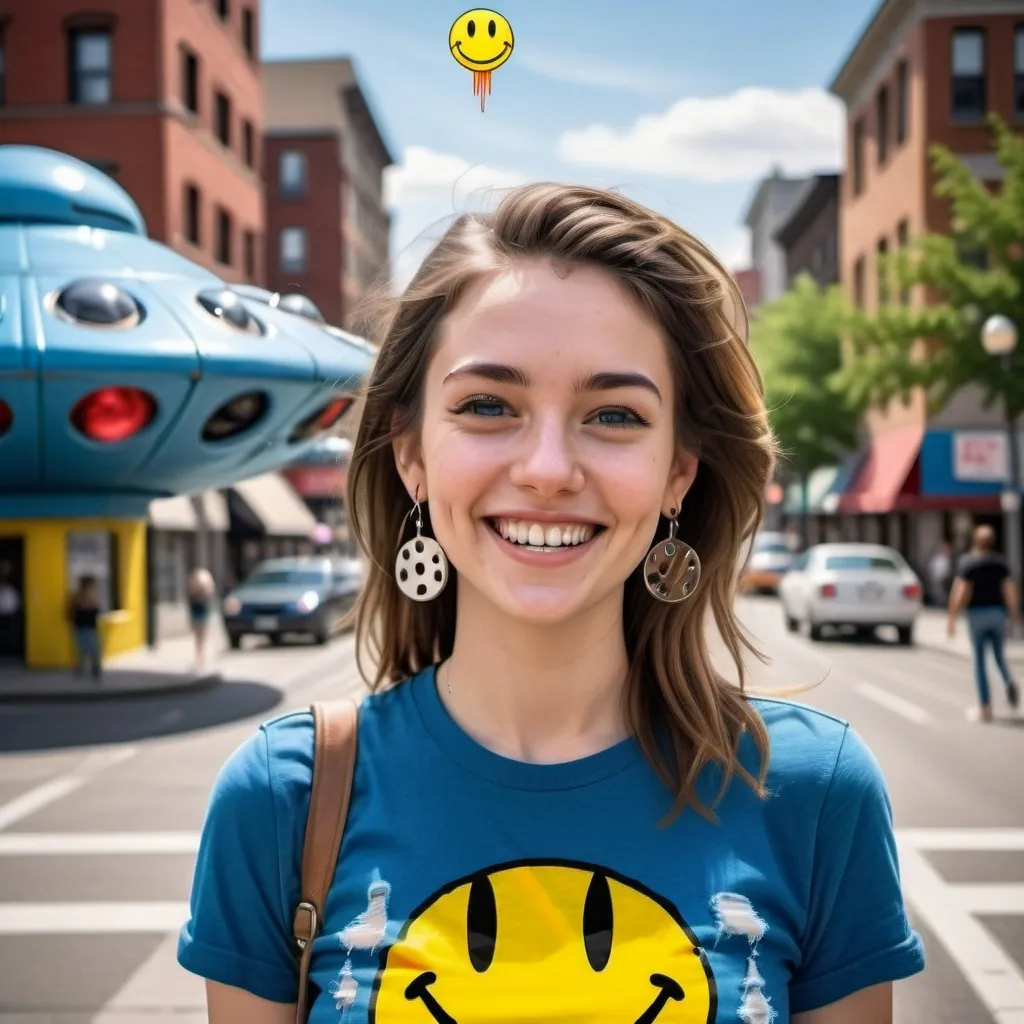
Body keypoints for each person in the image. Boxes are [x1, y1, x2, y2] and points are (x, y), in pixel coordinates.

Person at [178, 184, 925, 1023]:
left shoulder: (813, 793)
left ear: (679, 471)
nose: (546, 467)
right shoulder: (284, 799)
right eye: (488, 406)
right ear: (411, 455)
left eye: (612, 414)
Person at [947, 524, 1021, 722]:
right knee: (999, 657)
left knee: (979, 662)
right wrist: (1014, 618)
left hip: (977, 615)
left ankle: (985, 708)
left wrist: (953, 617)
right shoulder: (1000, 564)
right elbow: (1010, 592)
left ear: (976, 541)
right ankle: (1008, 681)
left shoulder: (968, 563)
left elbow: (961, 591)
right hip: (998, 614)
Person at [67, 575, 102, 680]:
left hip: (90, 627)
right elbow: (78, 611)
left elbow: (96, 610)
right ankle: (83, 668)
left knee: (92, 648)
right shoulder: (78, 597)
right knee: (86, 648)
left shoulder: (91, 596)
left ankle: (90, 669)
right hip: (82, 627)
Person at [187, 567, 216, 672]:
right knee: (198, 636)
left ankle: (201, 656)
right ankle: (200, 656)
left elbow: (209, 597)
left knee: (202, 636)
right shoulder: (193, 589)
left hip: (202, 614)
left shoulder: (205, 590)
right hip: (197, 614)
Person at [927, 539, 953, 607]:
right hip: (936, 577)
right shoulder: (937, 557)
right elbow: (931, 567)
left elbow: (947, 569)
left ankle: (942, 603)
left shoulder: (945, 558)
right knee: (937, 591)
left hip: (943, 578)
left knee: (942, 592)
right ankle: (938, 602)